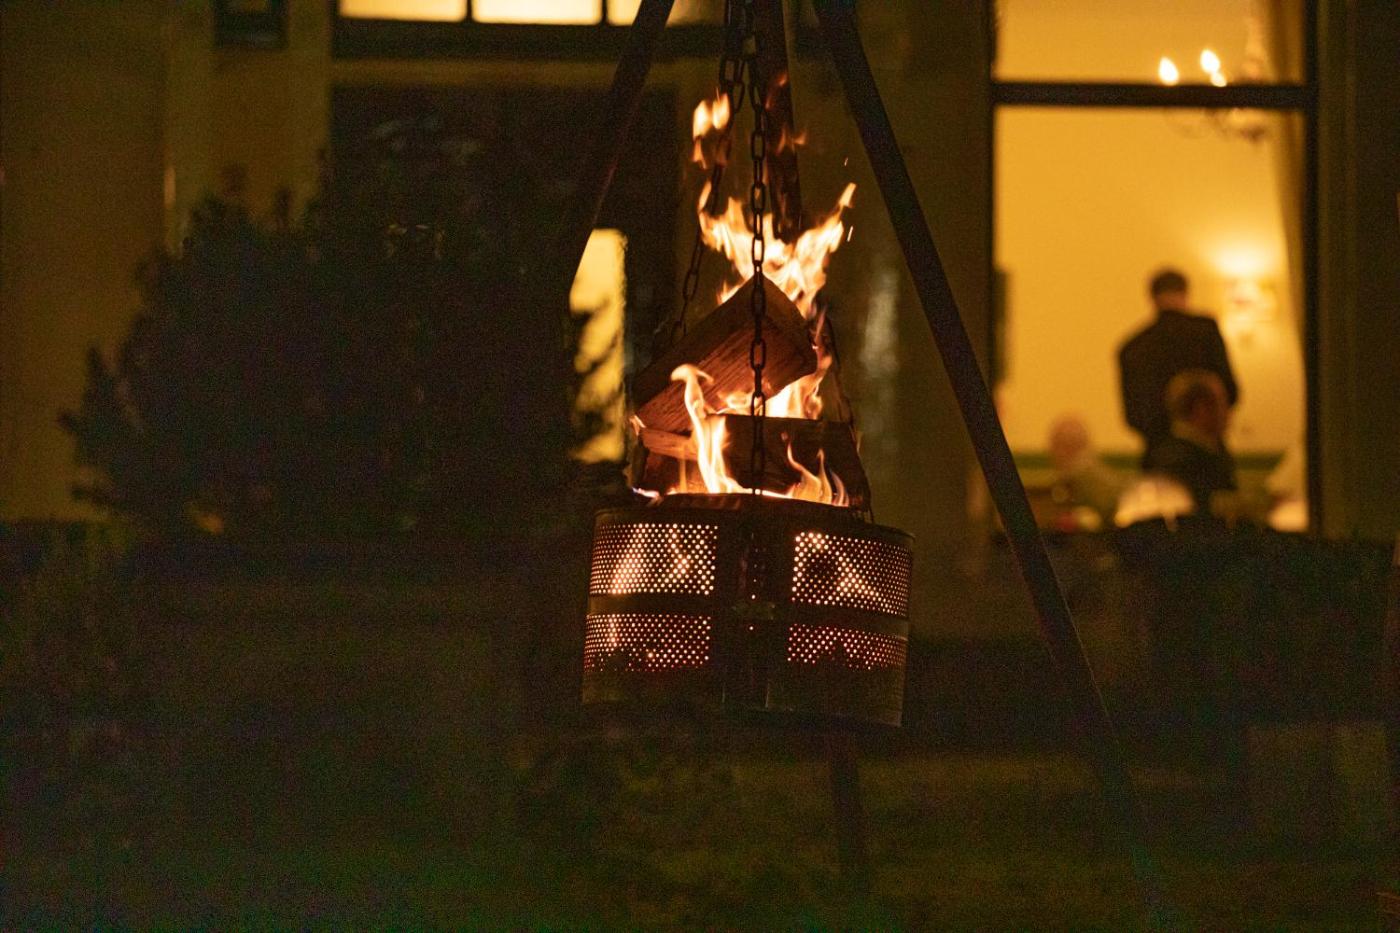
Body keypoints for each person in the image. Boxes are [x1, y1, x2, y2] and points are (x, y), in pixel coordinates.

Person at [1118, 268, 1238, 467]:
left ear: (1152, 298)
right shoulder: (1205, 332)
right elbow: (1230, 392)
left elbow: (1133, 416)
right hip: (1207, 455)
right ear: (1185, 293)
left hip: (1157, 457)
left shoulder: (1133, 348)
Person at [1145, 369, 1237, 514]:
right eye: (1222, 402)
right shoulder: (1182, 460)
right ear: (1200, 408)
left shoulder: (1166, 452)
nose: (1229, 412)